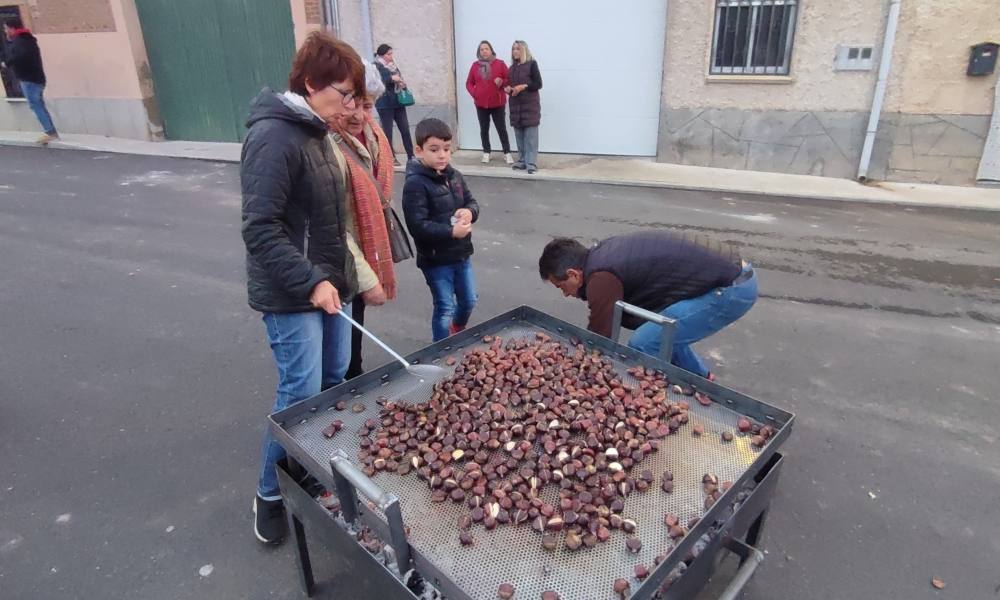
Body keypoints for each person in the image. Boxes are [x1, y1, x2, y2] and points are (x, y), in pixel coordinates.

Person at [240, 31, 367, 546]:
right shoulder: (274, 136)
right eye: (344, 94)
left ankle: (309, 466)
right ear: (312, 84)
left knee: (334, 376)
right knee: (300, 391)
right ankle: (269, 494)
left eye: (355, 95)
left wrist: (338, 277)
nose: (351, 105)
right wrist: (312, 280)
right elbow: (260, 228)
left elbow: (327, 222)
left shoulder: (317, 131)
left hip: (326, 285)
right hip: (291, 292)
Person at [538, 231, 758, 379]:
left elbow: (600, 338)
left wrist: (576, 373)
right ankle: (703, 383)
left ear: (573, 274)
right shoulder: (600, 255)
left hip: (731, 289)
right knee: (661, 333)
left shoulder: (601, 278)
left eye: (561, 287)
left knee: (643, 344)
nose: (565, 295)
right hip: (735, 274)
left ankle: (670, 399)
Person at [331, 63, 398, 380]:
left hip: (361, 248)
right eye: (353, 104)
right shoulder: (327, 143)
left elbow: (379, 190)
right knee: (335, 349)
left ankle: (352, 372)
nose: (359, 114)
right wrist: (364, 275)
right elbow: (331, 221)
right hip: (336, 255)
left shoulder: (375, 136)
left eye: (368, 105)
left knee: (355, 323)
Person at [402, 118, 480, 342]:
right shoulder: (415, 184)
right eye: (434, 150)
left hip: (461, 253)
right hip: (436, 260)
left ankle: (456, 330)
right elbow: (417, 225)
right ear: (419, 151)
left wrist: (469, 212)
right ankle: (441, 350)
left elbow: (472, 202)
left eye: (447, 149)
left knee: (469, 300)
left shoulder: (455, 176)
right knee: (445, 306)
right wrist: (450, 232)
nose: (442, 155)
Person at [2, 17, 57, 144]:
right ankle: (51, 131)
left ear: (12, 28)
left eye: (6, 28)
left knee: (35, 105)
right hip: (36, 78)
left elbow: (19, 56)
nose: (5, 31)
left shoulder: (20, 41)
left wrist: (7, 63)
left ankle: (50, 132)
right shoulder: (26, 39)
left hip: (30, 79)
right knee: (38, 104)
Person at [465, 40, 513, 165]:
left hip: (497, 103)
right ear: (479, 52)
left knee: (501, 128)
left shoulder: (500, 64)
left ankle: (507, 152)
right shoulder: (475, 66)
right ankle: (486, 151)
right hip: (481, 104)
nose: (484, 51)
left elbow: (510, 79)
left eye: (486, 48)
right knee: (484, 129)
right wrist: (474, 93)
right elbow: (469, 82)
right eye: (481, 49)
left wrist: (502, 81)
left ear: (491, 50)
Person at [505, 40, 543, 174]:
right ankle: (521, 161)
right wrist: (508, 89)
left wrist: (524, 86)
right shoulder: (512, 68)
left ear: (524, 50)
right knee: (519, 136)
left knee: (530, 137)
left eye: (518, 49)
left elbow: (538, 84)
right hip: (516, 107)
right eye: (513, 49)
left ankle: (531, 163)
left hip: (530, 106)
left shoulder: (532, 64)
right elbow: (509, 86)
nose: (515, 51)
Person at [373, 44, 414, 165]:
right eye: (388, 54)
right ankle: (391, 157)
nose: (391, 56)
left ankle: (411, 156)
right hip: (384, 103)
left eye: (392, 53)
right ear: (381, 55)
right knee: (387, 132)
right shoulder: (376, 66)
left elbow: (399, 78)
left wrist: (402, 83)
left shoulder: (393, 66)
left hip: (398, 102)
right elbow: (379, 80)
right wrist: (392, 78)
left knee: (405, 129)